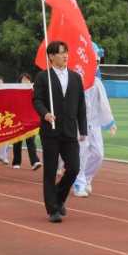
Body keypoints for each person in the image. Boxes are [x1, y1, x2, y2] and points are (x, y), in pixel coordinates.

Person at [33, 40, 87, 224]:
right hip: (50, 131)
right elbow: (36, 99)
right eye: (61, 53)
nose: (65, 56)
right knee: (50, 171)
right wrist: (45, 113)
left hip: (70, 131)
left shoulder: (75, 77)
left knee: (73, 168)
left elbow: (81, 104)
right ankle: (52, 210)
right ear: (51, 56)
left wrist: (83, 128)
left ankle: (58, 196)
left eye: (66, 52)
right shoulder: (43, 77)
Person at [74, 45, 117, 198]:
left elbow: (103, 103)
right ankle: (78, 183)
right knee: (82, 152)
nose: (96, 64)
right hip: (79, 124)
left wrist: (110, 122)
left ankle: (86, 178)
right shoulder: (76, 80)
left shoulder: (97, 82)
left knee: (98, 154)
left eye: (98, 61)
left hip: (94, 124)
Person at [11, 73, 42, 170]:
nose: (26, 81)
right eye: (24, 79)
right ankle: (16, 162)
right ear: (20, 81)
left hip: (29, 120)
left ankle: (35, 161)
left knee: (30, 140)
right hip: (18, 120)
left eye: (28, 79)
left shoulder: (33, 91)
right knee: (17, 142)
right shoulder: (16, 92)